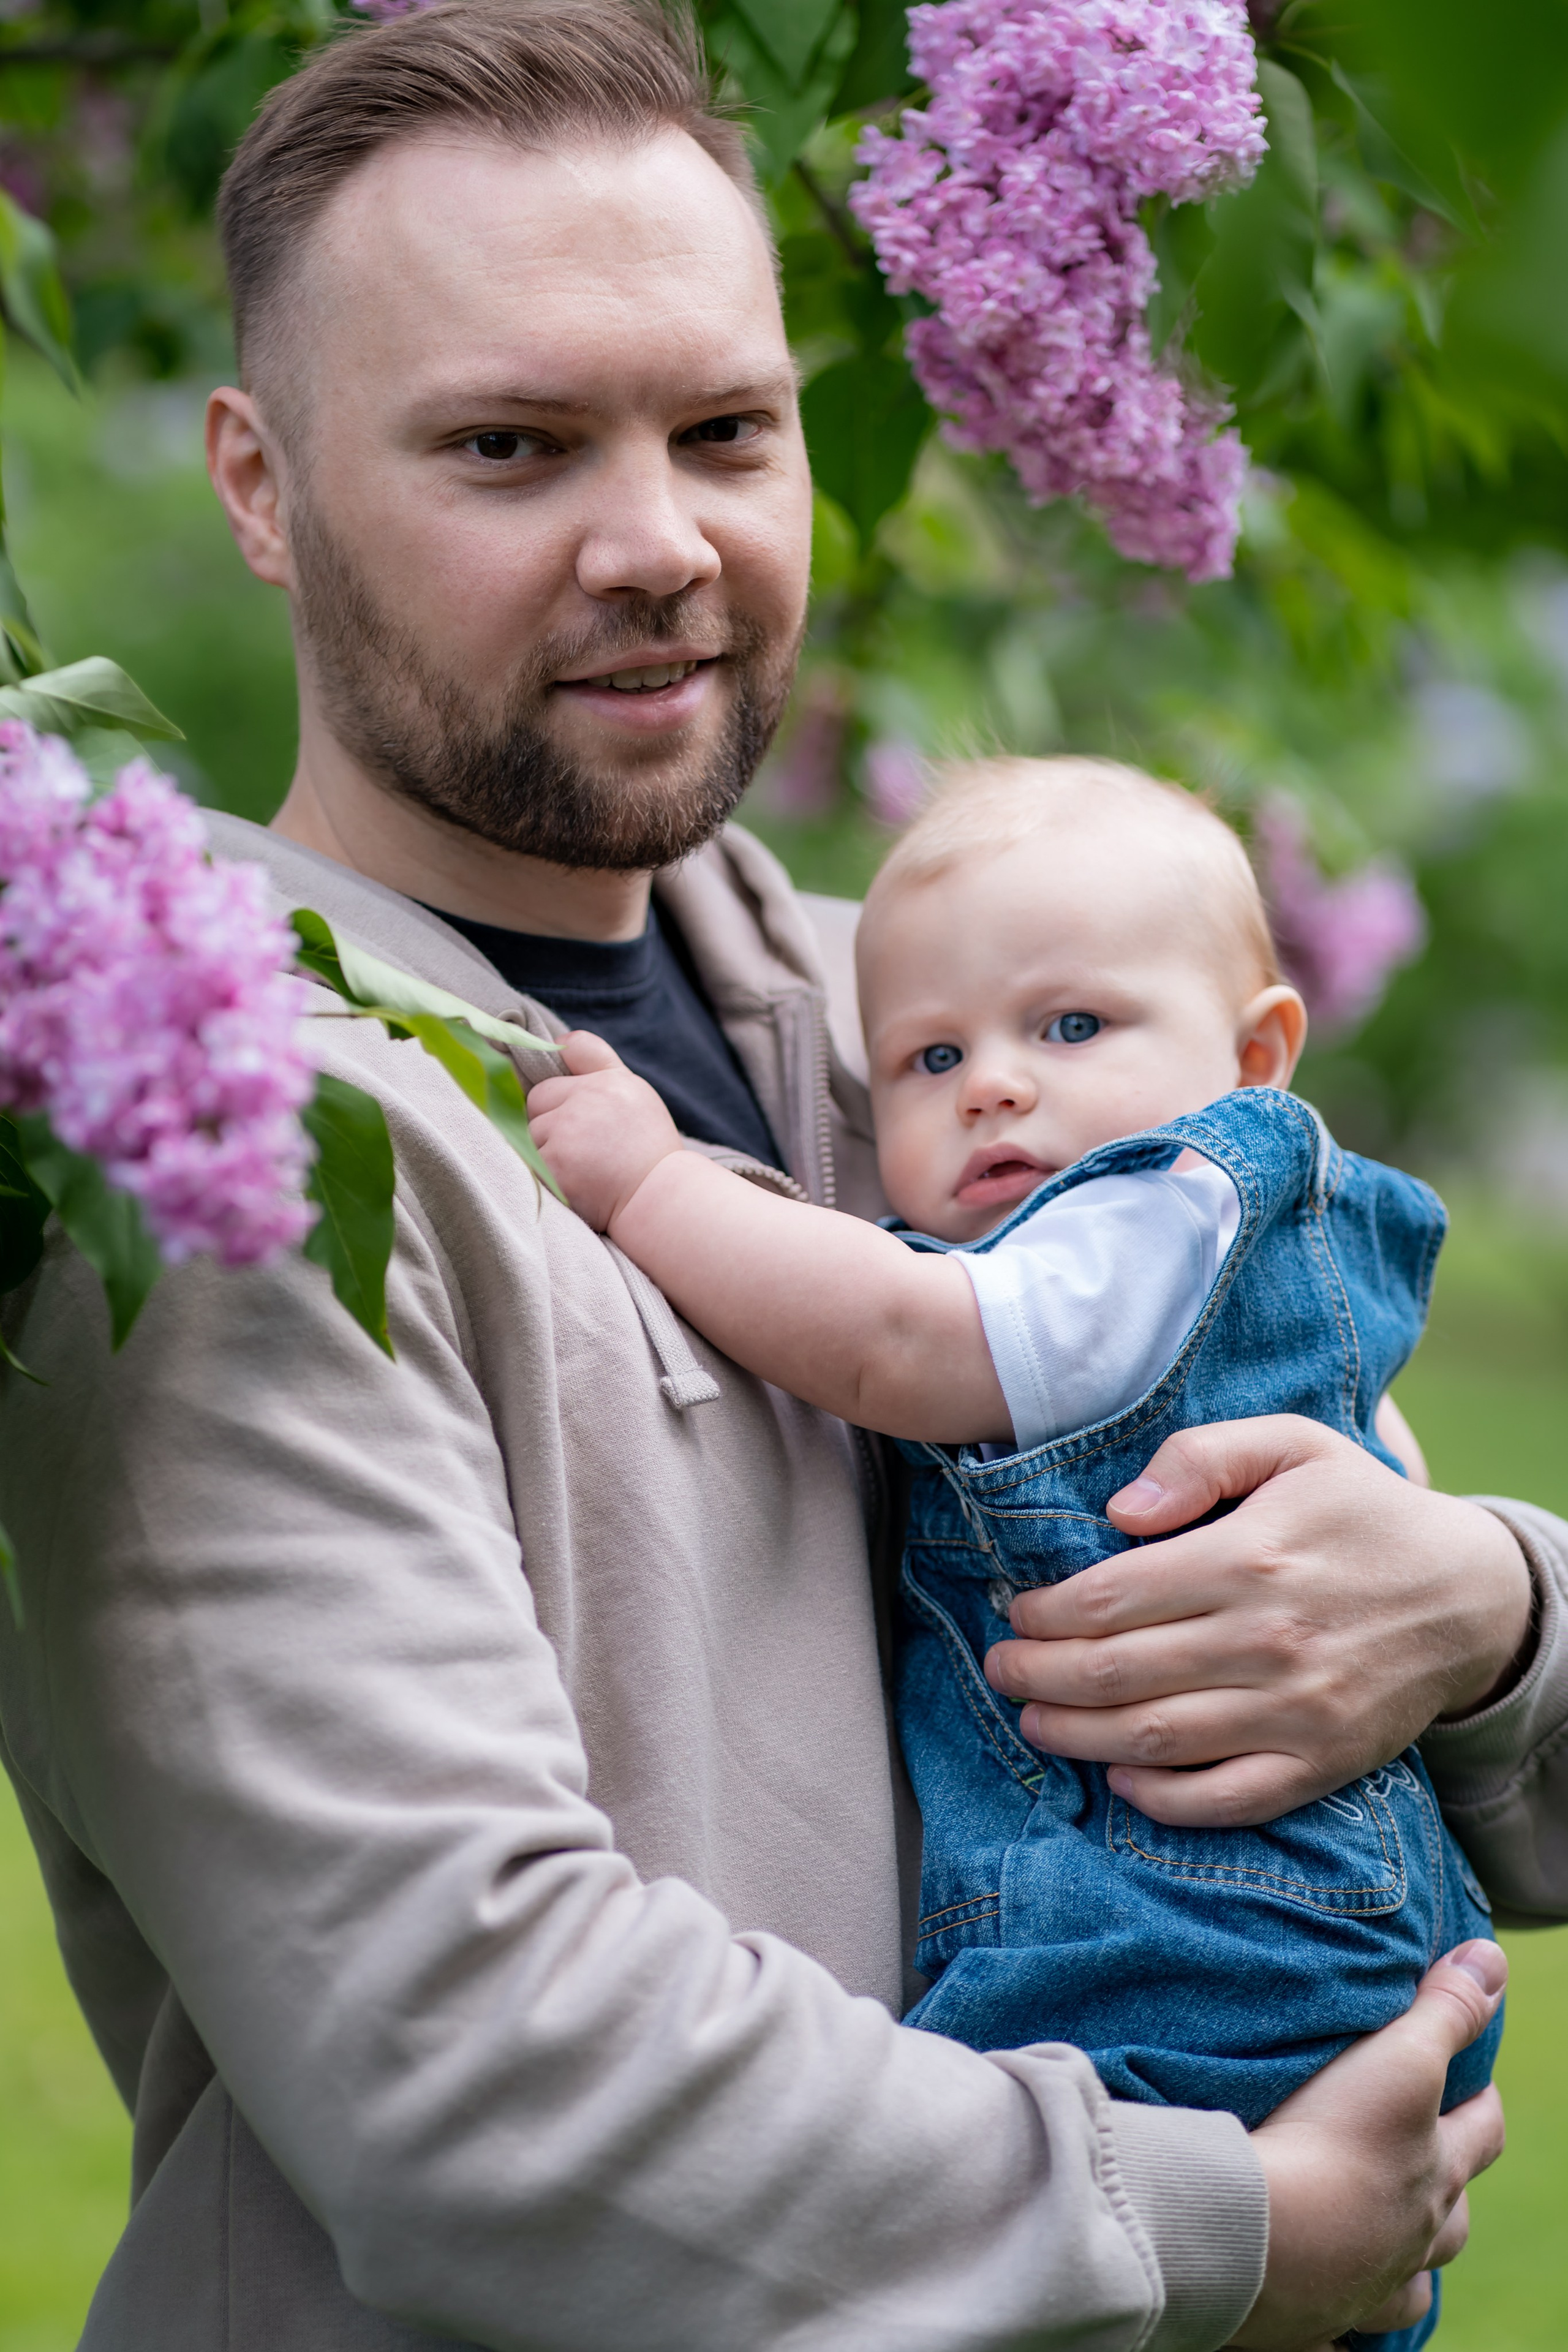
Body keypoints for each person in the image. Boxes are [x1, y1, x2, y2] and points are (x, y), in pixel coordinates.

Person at [0, 4, 1553, 2346]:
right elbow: (480, 2075)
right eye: (508, 447)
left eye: (725, 429)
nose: (658, 542)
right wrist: (1199, 2223)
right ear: (257, 480)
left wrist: (1477, 1615)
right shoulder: (226, 1156)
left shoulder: (932, 1037)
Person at [527, 753, 1504, 2351]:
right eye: (928, 1056)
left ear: (1256, 1056)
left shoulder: (1149, 1216)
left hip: (1181, 1930)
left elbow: (902, 1334)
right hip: (1330, 1915)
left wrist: (645, 1182)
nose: (992, 1084)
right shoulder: (1255, 1263)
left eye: (1071, 1029)